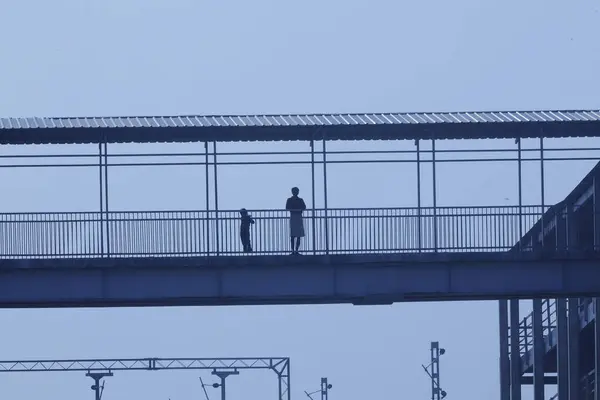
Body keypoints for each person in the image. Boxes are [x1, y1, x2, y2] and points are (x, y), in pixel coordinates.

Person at [285, 187, 306, 255]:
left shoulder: (299, 200)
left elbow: (304, 207)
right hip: (295, 217)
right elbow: (287, 208)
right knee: (294, 235)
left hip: (297, 217)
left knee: (297, 235)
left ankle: (295, 250)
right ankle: (294, 250)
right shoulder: (291, 200)